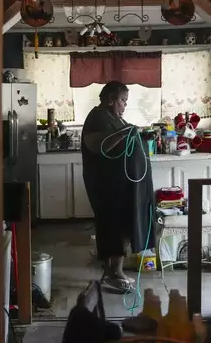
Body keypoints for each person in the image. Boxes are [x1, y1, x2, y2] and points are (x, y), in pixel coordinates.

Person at [81, 81, 155, 293]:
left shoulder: (114, 118)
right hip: (106, 186)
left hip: (120, 185)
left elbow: (124, 138)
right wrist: (126, 133)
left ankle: (114, 273)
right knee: (112, 228)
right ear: (111, 98)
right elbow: (99, 145)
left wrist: (140, 135)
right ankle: (113, 274)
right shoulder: (97, 117)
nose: (124, 105)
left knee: (122, 227)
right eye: (122, 100)